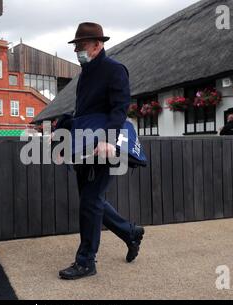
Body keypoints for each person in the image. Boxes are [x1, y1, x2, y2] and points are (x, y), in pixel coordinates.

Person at [56, 22, 145, 281]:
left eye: (81, 47)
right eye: (76, 48)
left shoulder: (114, 69)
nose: (78, 52)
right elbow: (82, 114)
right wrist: (62, 137)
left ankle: (86, 262)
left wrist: (108, 139)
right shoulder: (85, 74)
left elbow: (120, 108)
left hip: (104, 146)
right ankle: (131, 232)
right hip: (84, 145)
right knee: (91, 199)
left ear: (97, 45)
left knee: (91, 200)